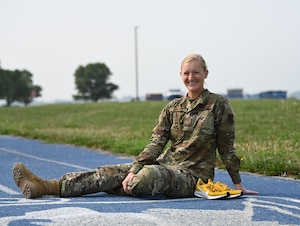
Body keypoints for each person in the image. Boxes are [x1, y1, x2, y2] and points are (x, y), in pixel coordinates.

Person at [13, 53, 258, 199]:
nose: (191, 77)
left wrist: (238, 183)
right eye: (186, 73)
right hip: (165, 164)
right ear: (180, 75)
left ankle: (131, 183)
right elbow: (156, 142)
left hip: (193, 178)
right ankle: (46, 186)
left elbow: (227, 147)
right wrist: (135, 167)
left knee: (148, 176)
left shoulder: (219, 105)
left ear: (205, 73)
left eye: (196, 73)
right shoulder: (173, 107)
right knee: (111, 172)